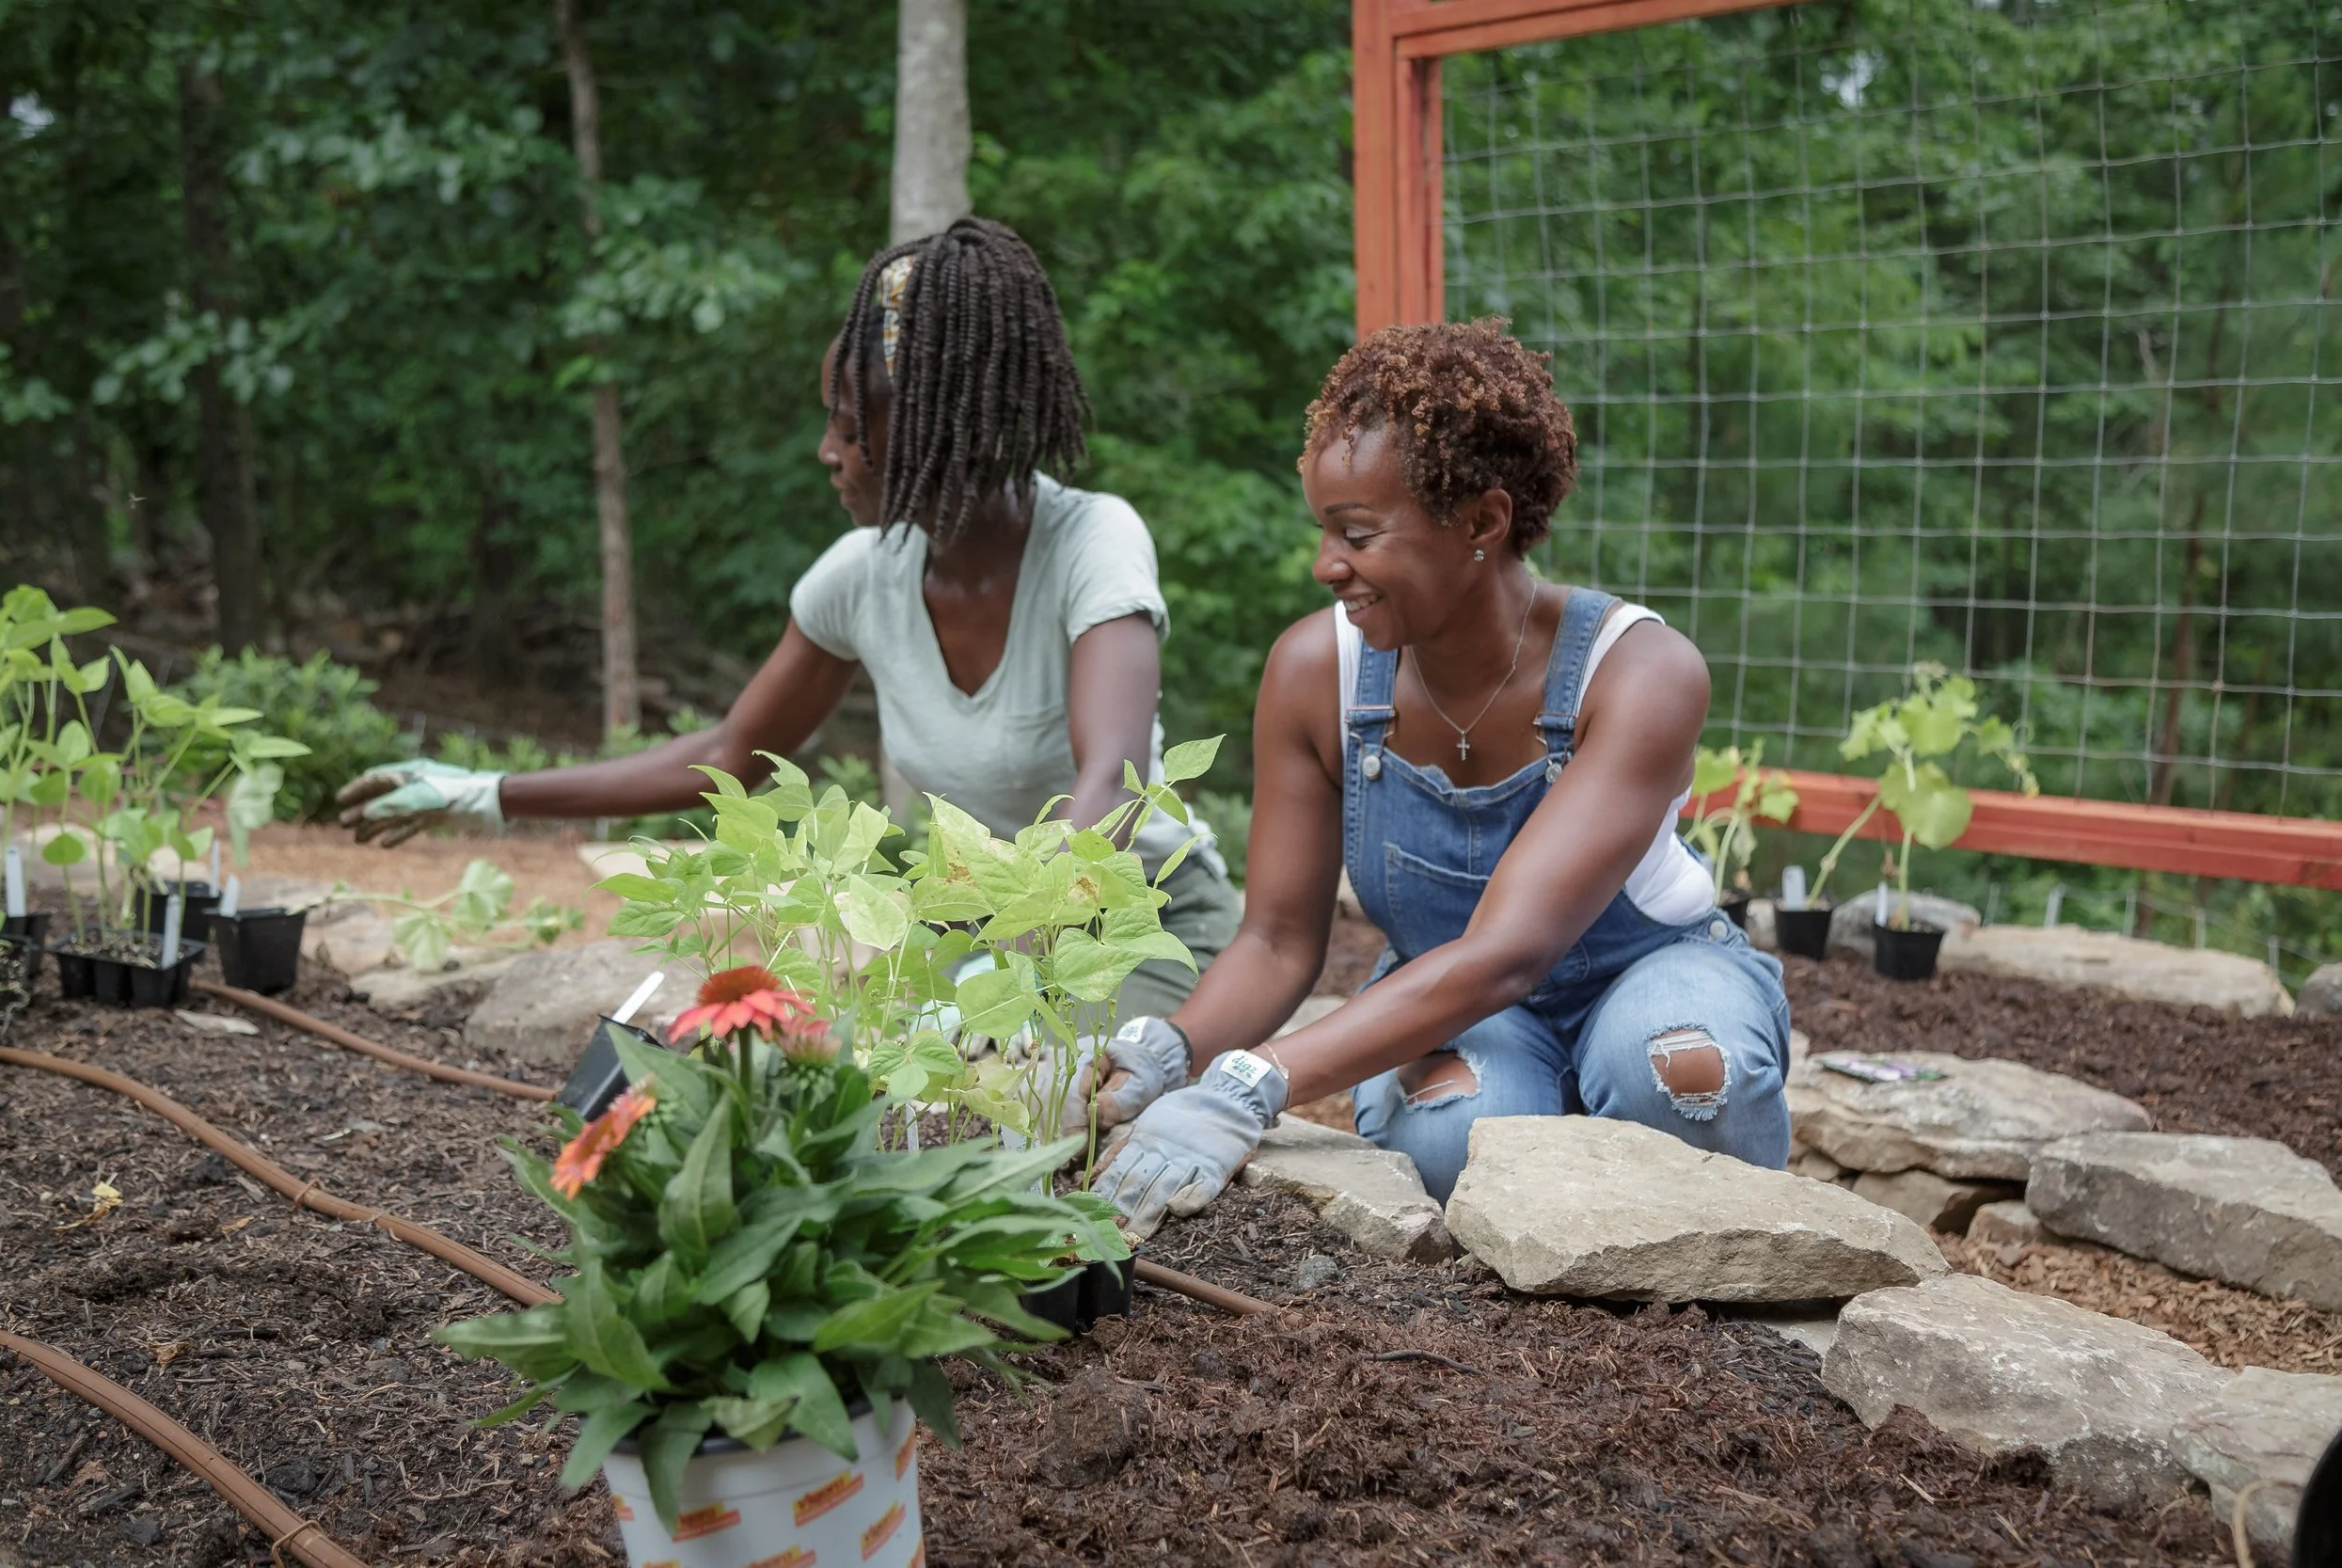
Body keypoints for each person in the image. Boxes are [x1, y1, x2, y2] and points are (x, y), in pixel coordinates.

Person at [335, 217, 1238, 1035]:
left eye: (848, 427)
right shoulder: (861, 578)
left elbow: (1111, 786)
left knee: (1024, 1101)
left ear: (932, 433)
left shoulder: (1094, 542)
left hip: (1139, 920)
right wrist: (485, 793)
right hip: (982, 934)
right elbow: (730, 754)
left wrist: (991, 979)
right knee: (821, 1083)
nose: (827, 453)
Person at [1089, 319, 1793, 1236]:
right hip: (1448, 997)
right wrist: (1178, 1049)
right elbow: (1273, 940)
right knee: (1459, 1128)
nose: (1325, 565)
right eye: (1324, 531)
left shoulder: (1640, 672)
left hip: (1648, 966)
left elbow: (1511, 950)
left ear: (1482, 522)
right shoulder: (1317, 674)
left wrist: (1256, 1081)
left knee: (1684, 1076)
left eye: (1358, 534)